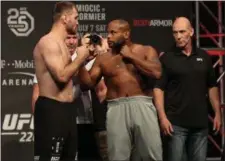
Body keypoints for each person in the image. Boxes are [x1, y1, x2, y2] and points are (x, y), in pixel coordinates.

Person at [79, 19, 162, 161]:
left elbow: (157, 73)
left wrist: (131, 56)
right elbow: (86, 84)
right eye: (108, 33)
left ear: (126, 34)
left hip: (142, 104)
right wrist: (79, 61)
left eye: (113, 32)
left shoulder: (145, 50)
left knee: (151, 154)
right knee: (117, 156)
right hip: (116, 107)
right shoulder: (103, 59)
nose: (108, 37)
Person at [154, 17, 222, 161]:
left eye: (182, 32)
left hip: (200, 124)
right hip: (175, 125)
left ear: (191, 32)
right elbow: (158, 89)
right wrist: (162, 118)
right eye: (175, 32)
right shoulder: (167, 58)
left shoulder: (204, 57)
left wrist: (217, 113)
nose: (178, 36)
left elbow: (212, 86)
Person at [33, 2, 92, 161]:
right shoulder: (49, 42)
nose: (78, 22)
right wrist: (80, 58)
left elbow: (85, 83)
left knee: (69, 157)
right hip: (52, 109)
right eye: (76, 17)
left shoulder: (63, 45)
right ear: (65, 19)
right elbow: (61, 76)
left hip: (67, 110)